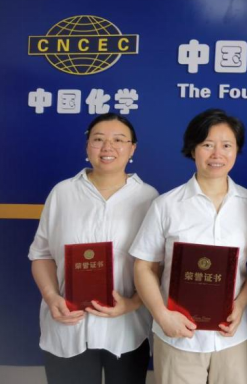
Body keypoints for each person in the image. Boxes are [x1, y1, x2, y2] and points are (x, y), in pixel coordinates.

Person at [130, 109, 247, 384]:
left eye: (226, 145)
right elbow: (143, 266)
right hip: (178, 335)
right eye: (207, 145)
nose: (217, 154)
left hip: (233, 335)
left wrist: (240, 305)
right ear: (193, 149)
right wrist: (161, 315)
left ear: (236, 150)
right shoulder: (166, 205)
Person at [29, 113, 157, 384]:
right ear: (88, 146)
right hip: (68, 326)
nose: (108, 147)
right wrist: (52, 298)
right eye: (99, 139)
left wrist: (133, 303)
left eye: (119, 140)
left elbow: (158, 266)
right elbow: (41, 255)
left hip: (126, 329)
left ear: (132, 149)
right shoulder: (63, 193)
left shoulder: (149, 198)